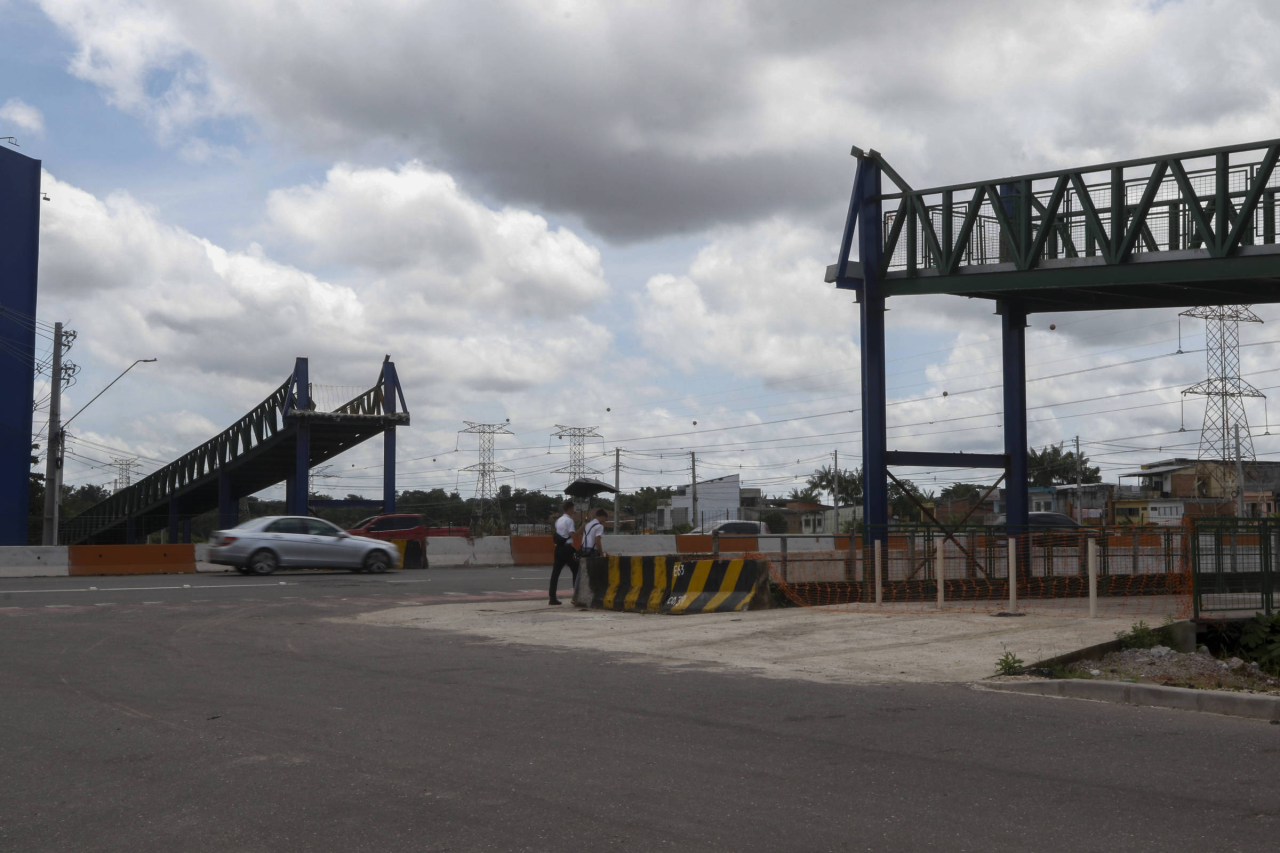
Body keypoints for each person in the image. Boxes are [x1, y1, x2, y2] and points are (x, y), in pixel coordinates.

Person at [549, 500, 577, 605]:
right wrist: (582, 528)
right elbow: (573, 535)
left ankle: (552, 597)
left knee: (555, 573)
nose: (574, 511)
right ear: (570, 509)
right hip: (567, 548)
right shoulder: (569, 521)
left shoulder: (559, 520)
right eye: (573, 509)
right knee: (576, 570)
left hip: (558, 548)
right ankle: (576, 596)